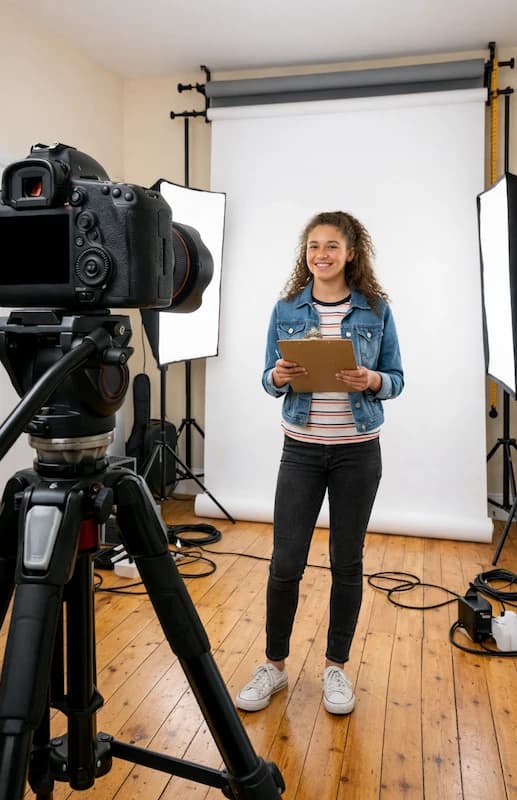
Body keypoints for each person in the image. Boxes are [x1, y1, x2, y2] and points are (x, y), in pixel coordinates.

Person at [236, 210, 404, 715]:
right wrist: (280, 375)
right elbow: (268, 379)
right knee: (285, 563)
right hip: (302, 452)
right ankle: (275, 666)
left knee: (345, 563)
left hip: (357, 453)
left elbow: (396, 377)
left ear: (351, 253)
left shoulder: (375, 310)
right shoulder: (287, 307)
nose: (321, 255)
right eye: (313, 246)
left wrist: (371, 382)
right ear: (305, 253)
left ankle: (336, 668)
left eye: (332, 246)